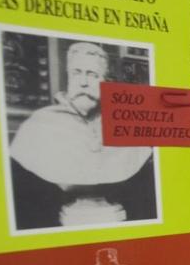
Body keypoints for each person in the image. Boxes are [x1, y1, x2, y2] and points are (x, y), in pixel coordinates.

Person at [9, 41, 157, 229]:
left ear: (106, 82)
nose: (83, 82)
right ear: (68, 77)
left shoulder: (126, 125)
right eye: (76, 73)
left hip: (112, 215)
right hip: (71, 218)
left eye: (92, 75)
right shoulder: (40, 124)